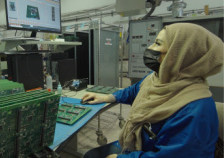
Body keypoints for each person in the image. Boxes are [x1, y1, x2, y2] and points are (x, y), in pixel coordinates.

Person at [82, 23, 223, 158]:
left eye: (158, 43)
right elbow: (134, 91)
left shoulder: (195, 110)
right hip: (140, 145)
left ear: (181, 55)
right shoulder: (156, 79)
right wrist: (108, 98)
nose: (150, 48)